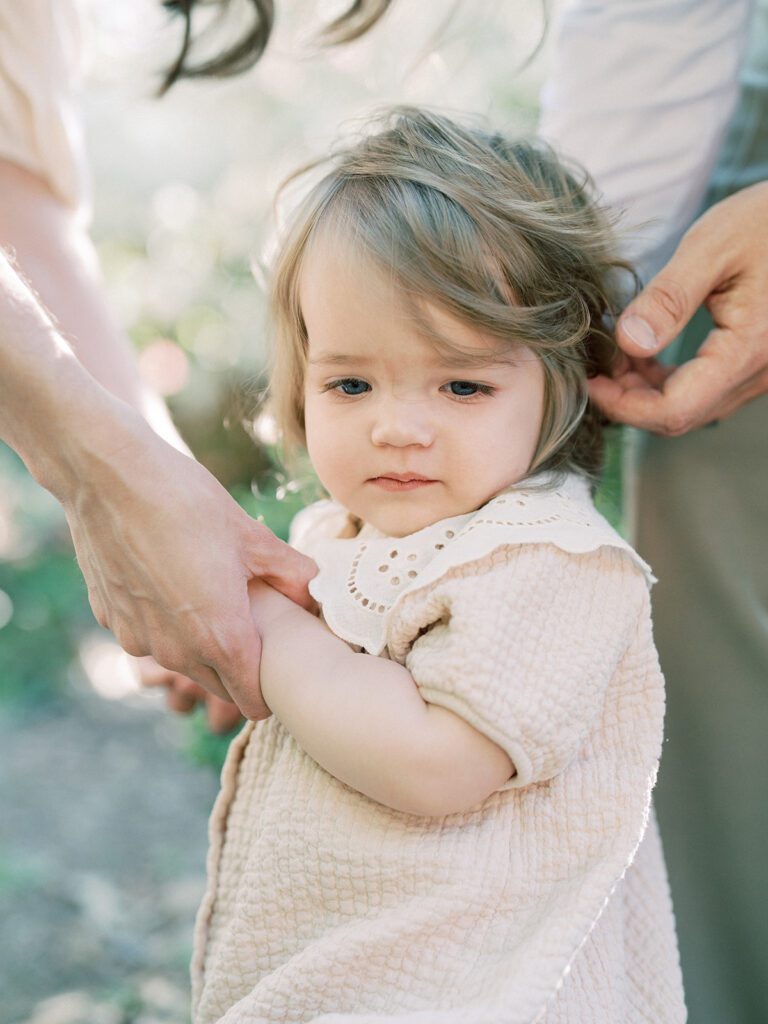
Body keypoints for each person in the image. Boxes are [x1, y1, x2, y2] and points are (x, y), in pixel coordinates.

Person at [190, 107, 685, 1023]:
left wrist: (269, 626)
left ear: (560, 380)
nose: (398, 425)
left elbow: (439, 765)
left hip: (484, 992)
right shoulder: (337, 533)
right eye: (350, 383)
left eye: (462, 385)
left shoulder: (554, 563)